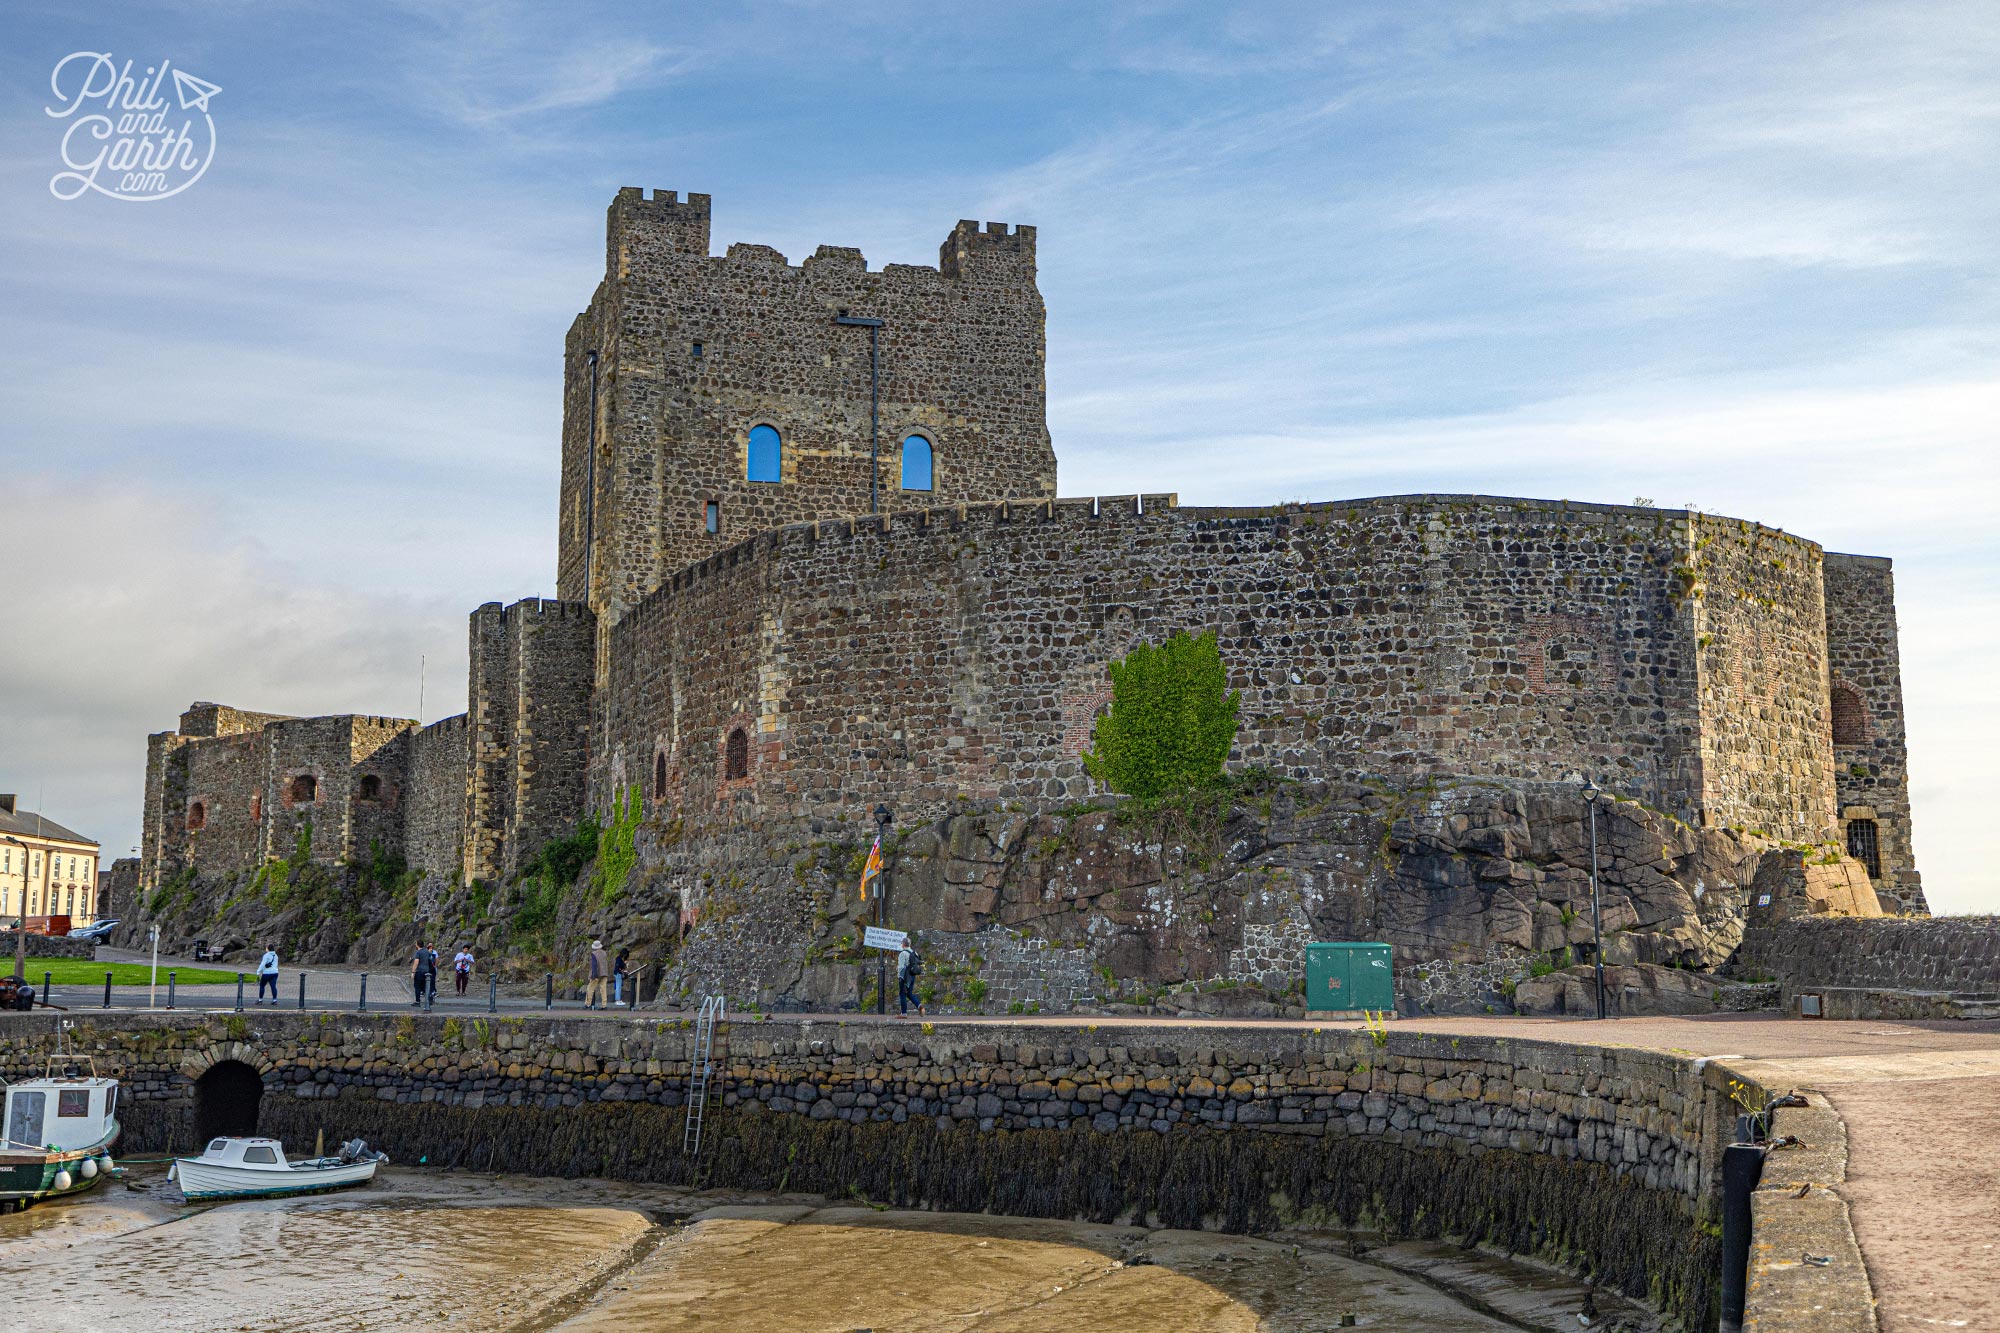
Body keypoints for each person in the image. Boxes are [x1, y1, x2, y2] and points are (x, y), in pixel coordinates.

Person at [896, 943, 924, 1017]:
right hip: (912, 976)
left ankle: (904, 1013)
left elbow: (901, 967)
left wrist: (900, 977)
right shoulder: (913, 953)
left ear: (903, 944)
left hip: (905, 976)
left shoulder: (903, 953)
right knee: (909, 993)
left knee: (902, 994)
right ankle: (919, 1005)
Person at [411, 942, 438, 1006]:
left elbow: (416, 962)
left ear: (417, 945)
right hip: (427, 971)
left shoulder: (418, 952)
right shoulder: (427, 952)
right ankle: (429, 999)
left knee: (417, 986)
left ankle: (418, 1001)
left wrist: (413, 972)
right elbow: (430, 961)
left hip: (419, 971)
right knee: (427, 986)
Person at [585, 939, 609, 1009]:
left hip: (597, 974)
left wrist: (594, 976)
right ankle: (604, 1005)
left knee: (590, 989)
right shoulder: (604, 953)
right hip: (604, 973)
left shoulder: (594, 954)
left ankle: (588, 1004)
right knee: (603, 990)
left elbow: (594, 965)